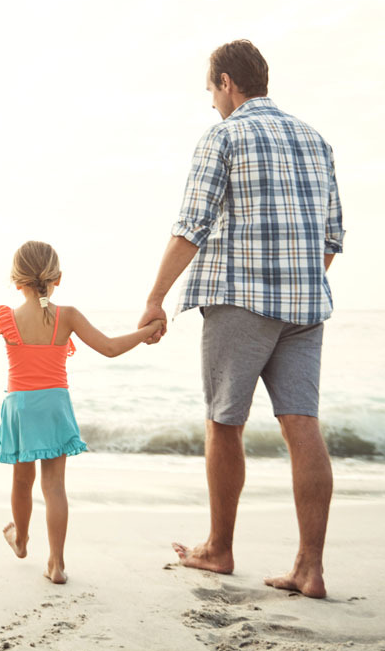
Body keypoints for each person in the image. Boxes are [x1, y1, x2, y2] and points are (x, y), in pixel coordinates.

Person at [140, 40, 345, 598]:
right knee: (301, 425)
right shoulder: (315, 139)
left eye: (211, 90)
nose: (211, 102)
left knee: (223, 422)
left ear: (228, 82)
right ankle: (310, 567)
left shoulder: (225, 136)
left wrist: (156, 299)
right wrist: (295, 281)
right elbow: (331, 239)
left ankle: (219, 548)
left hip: (241, 300)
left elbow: (191, 226)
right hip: (305, 306)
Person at [0, 241, 161, 584]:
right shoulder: (67, 315)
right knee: (54, 487)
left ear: (15, 280)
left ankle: (20, 541)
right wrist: (148, 331)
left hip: (20, 407)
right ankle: (56, 563)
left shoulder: (6, 318)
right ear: (58, 278)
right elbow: (110, 348)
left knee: (22, 482)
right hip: (55, 405)